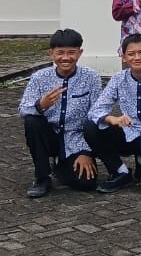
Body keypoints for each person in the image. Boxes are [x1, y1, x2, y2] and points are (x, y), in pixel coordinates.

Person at [85, 33, 141, 192]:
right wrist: (112, 119)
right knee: (91, 126)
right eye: (131, 54)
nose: (137, 57)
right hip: (129, 133)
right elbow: (96, 110)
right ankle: (120, 172)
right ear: (124, 57)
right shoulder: (119, 78)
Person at [18, 27, 101, 198]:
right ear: (51, 53)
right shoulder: (39, 77)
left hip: (76, 137)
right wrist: (40, 105)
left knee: (86, 183)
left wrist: (85, 152)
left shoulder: (91, 77)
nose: (65, 58)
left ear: (80, 53)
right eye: (60, 53)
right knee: (32, 121)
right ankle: (42, 178)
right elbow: (23, 109)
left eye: (71, 52)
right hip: (49, 135)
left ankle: (61, 164)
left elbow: (96, 114)